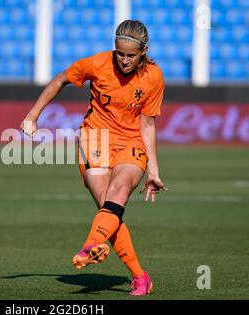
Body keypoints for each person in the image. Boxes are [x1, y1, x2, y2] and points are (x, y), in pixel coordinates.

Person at [21, 20, 167, 296]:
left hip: (131, 141)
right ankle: (140, 276)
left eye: (131, 55)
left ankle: (89, 246)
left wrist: (154, 171)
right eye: (120, 53)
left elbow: (147, 124)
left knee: (119, 192)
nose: (124, 61)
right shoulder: (97, 63)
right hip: (95, 138)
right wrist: (33, 115)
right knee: (106, 205)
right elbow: (61, 79)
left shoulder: (153, 77)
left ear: (144, 52)